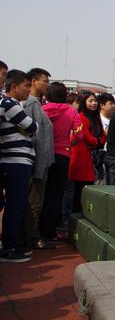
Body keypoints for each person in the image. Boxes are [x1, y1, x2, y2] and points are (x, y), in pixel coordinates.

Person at [0, 70, 38, 262]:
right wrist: (28, 128)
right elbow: (33, 127)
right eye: (26, 86)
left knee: (16, 205)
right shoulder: (9, 105)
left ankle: (11, 244)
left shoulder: (12, 105)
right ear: (13, 87)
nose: (29, 90)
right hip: (15, 162)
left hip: (17, 161)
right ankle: (8, 247)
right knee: (16, 205)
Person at [16, 68, 54, 253]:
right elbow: (27, 130)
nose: (47, 85)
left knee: (34, 200)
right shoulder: (29, 103)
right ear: (33, 82)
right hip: (35, 161)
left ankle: (25, 237)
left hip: (40, 160)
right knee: (34, 202)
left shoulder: (36, 103)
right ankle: (32, 238)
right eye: (44, 81)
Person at [40, 82, 83, 243]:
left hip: (44, 154)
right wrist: (67, 145)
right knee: (56, 194)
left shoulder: (42, 110)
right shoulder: (71, 112)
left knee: (41, 193)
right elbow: (79, 135)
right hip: (62, 154)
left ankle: (36, 230)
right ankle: (50, 231)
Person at [69, 92, 104, 213]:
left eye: (95, 101)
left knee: (89, 185)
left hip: (92, 155)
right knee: (80, 188)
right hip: (82, 155)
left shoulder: (95, 118)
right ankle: (77, 213)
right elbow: (86, 137)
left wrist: (98, 142)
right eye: (90, 101)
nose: (94, 103)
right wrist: (97, 142)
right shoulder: (81, 117)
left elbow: (102, 135)